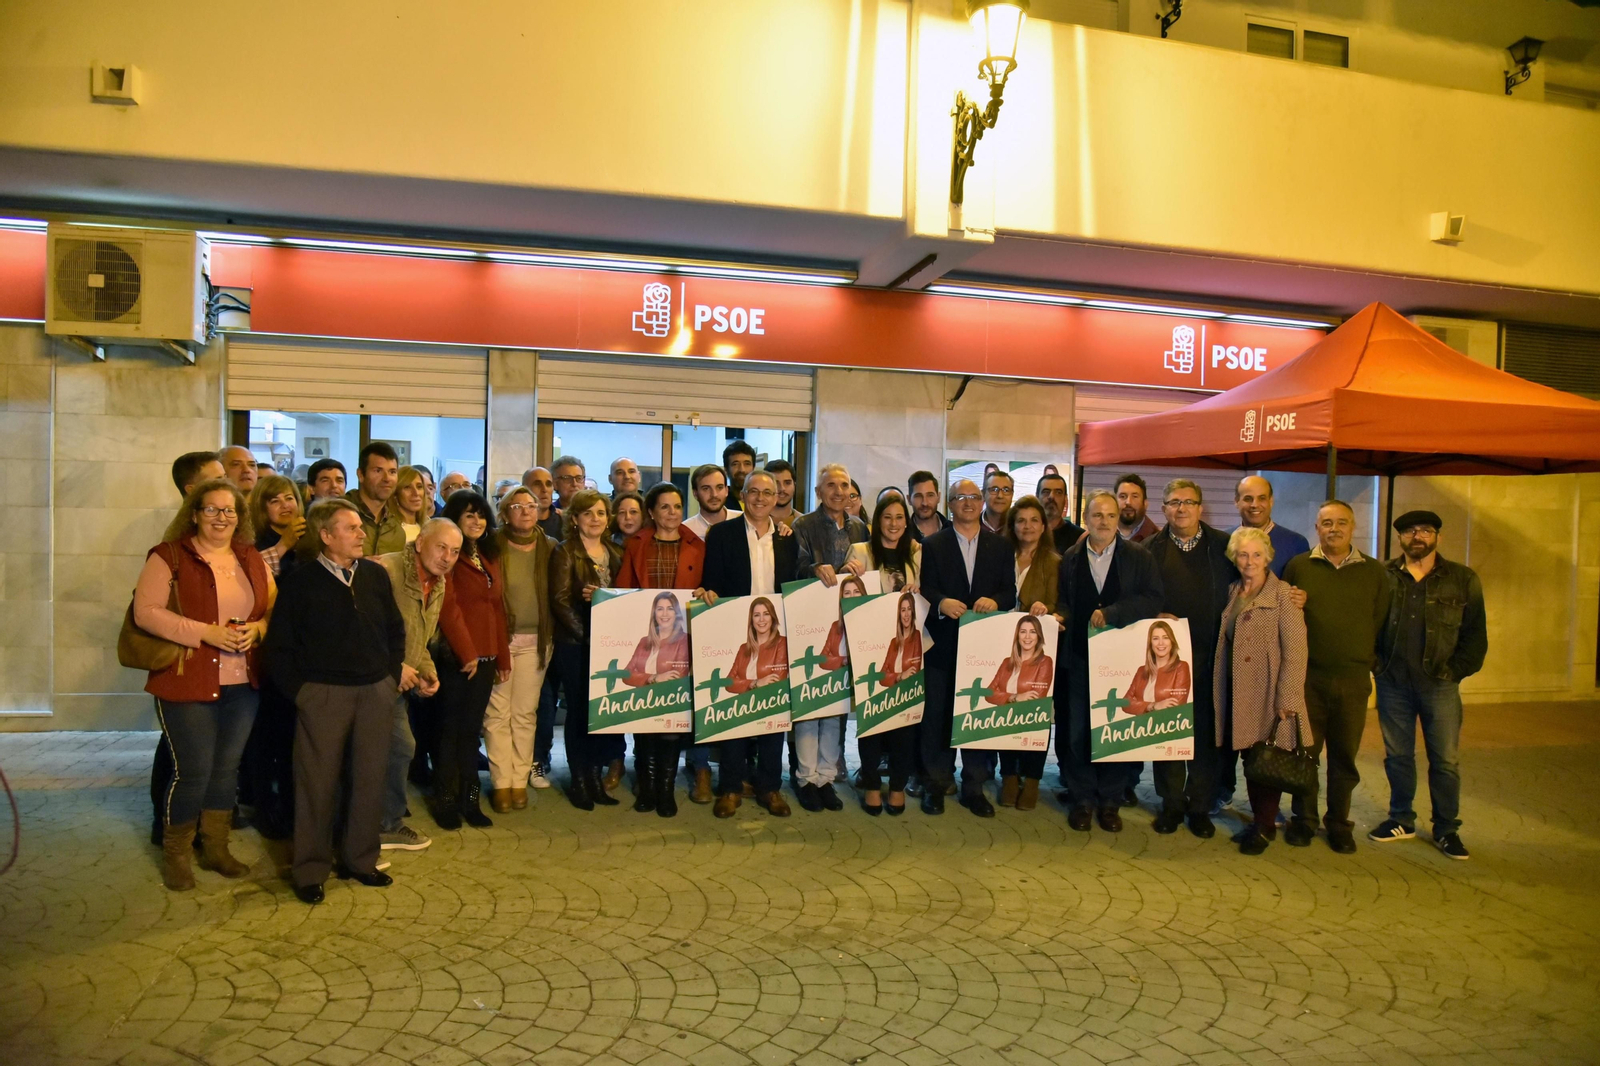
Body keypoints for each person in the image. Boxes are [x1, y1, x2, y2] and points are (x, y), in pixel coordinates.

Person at [136, 478, 274, 890]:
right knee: (193, 770)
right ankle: (177, 853)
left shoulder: (250, 558)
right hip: (186, 677)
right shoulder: (169, 556)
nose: (221, 517)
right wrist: (205, 632)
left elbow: (270, 609)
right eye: (211, 509)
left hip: (241, 682)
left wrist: (258, 631)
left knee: (225, 769)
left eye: (229, 510)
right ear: (194, 513)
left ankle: (216, 847)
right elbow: (145, 613)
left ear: (240, 517)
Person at [266, 498, 406, 904]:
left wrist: (390, 676)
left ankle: (361, 861)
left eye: (360, 527)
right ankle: (310, 870)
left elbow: (395, 630)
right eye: (351, 528)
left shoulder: (375, 577)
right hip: (323, 695)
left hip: (375, 691)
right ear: (326, 536)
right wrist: (304, 694)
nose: (361, 533)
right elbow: (279, 648)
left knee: (368, 778)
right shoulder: (301, 582)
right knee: (316, 783)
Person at [1370, 510, 1487, 860]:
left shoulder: (1462, 579)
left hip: (1440, 685)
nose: (1417, 536)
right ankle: (1401, 818)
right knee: (1398, 756)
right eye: (1409, 531)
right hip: (1393, 683)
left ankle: (1447, 828)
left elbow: (1475, 635)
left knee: (1446, 760)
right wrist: (1377, 665)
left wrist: (1454, 672)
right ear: (1400, 538)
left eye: (1425, 530)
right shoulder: (1384, 576)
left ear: (1437, 536)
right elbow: (1368, 623)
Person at [1281, 500, 1392, 853]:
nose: (1334, 529)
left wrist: (1362, 660)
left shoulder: (1375, 572)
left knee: (1344, 756)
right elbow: (1284, 614)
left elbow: (1381, 620)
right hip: (1308, 679)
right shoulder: (1298, 566)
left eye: (1341, 522)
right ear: (1317, 528)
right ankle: (1303, 820)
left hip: (1353, 680)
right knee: (1304, 755)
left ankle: (1339, 823)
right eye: (1326, 523)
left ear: (1353, 526)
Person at [1056, 489, 1163, 832]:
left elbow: (1152, 599)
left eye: (1111, 516)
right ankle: (1083, 798)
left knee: (1117, 731)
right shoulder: (1071, 558)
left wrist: (1114, 612)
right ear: (1085, 519)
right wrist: (1059, 616)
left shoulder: (1139, 557)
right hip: (1079, 659)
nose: (1104, 522)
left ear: (1119, 520)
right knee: (1077, 733)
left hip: (1124, 661)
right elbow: (1065, 602)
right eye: (1097, 515)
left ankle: (1111, 802)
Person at [700, 471, 799, 818]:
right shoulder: (722, 534)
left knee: (773, 713)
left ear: (777, 498)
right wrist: (707, 592)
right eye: (753, 492)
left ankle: (769, 787)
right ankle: (730, 786)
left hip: (776, 637)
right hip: (735, 634)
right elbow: (709, 581)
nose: (760, 498)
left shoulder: (788, 539)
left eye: (767, 492)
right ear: (742, 496)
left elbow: (794, 586)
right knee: (736, 710)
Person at [1142, 479, 1236, 838]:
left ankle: (1199, 806)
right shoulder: (1149, 549)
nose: (1181, 509)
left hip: (1212, 655)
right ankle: (1171, 804)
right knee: (1168, 731)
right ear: (1163, 509)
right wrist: (1155, 615)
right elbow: (1141, 597)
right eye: (1173, 503)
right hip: (1168, 659)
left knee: (1205, 737)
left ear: (1200, 508)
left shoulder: (1224, 547)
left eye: (1188, 502)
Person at [920, 477, 1017, 817]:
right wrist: (941, 601)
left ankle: (974, 787)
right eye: (961, 497)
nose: (969, 503)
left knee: (977, 716)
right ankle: (936, 784)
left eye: (975, 497)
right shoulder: (933, 544)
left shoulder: (1001, 546)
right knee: (938, 718)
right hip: (943, 646)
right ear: (950, 504)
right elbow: (925, 588)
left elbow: (1010, 592)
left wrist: (997, 600)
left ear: (983, 502)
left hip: (984, 651)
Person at [1214, 476, 1311, 813]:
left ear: (1268, 557)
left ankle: (1265, 822)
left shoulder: (1284, 591)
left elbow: (1297, 649)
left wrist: (1289, 695)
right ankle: (1234, 801)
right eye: (1242, 555)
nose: (1249, 561)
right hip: (1233, 683)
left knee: (1265, 754)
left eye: (1256, 555)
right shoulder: (1232, 592)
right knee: (1241, 751)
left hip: (1266, 686)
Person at [373, 520, 462, 854]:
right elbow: (366, 630)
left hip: (396, 683)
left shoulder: (437, 582)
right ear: (421, 542)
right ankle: (367, 827)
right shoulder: (388, 570)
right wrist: (396, 667)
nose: (447, 557)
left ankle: (386, 825)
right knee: (385, 750)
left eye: (455, 552)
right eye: (442, 547)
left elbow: (419, 637)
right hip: (370, 679)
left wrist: (427, 670)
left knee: (400, 749)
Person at [617, 482, 706, 810]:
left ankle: (666, 788)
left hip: (682, 643)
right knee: (645, 721)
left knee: (673, 720)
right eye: (664, 507)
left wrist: (707, 592)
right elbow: (623, 590)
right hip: (647, 641)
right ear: (651, 512)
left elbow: (706, 587)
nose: (672, 513)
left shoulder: (697, 544)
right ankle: (647, 786)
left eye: (677, 506)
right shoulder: (636, 544)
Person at [791, 464, 870, 812]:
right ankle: (806, 778)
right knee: (811, 704)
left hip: (849, 628)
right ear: (819, 492)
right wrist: (813, 570)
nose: (839, 492)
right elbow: (793, 569)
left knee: (837, 707)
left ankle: (826, 776)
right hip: (812, 626)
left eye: (845, 485)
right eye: (831, 486)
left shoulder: (861, 528)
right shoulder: (803, 526)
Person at [432, 491, 511, 830]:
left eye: (481, 515)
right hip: (458, 658)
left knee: (470, 733)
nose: (477, 521)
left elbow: (497, 608)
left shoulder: (488, 554)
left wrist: (503, 656)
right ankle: (446, 801)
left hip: (488, 656)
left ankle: (470, 800)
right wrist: (467, 654)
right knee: (450, 731)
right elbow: (448, 608)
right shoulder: (450, 556)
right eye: (468, 515)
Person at [549, 488, 625, 811]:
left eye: (600, 513)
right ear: (575, 519)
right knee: (580, 712)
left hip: (612, 644)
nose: (595, 519)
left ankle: (595, 776)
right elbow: (560, 601)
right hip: (577, 644)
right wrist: (588, 638)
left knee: (602, 712)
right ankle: (579, 779)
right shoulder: (565, 552)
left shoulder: (616, 551)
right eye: (587, 513)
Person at [483, 487, 556, 813]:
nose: (526, 511)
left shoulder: (551, 547)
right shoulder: (490, 546)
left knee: (525, 714)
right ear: (504, 512)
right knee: (497, 714)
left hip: (537, 642)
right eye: (517, 506)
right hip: (500, 639)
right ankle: (501, 783)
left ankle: (518, 780)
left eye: (532, 505)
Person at [996, 496, 1059, 810]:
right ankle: (1008, 775)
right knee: (1008, 707)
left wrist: (1050, 612)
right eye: (1021, 520)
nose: (1028, 526)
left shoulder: (1055, 562)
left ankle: (1032, 779)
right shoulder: (999, 556)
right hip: (1005, 649)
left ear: (1044, 525)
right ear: (1012, 525)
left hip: (1038, 650)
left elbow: (1063, 608)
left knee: (1036, 712)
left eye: (1034, 520)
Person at [620, 590, 692, 816]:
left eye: (670, 608)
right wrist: (652, 678)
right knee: (646, 741)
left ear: (677, 612)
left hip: (670, 703)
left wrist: (652, 679)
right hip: (644, 704)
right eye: (660, 608)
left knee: (668, 740)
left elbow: (678, 673)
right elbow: (626, 674)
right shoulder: (644, 642)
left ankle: (666, 792)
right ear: (654, 613)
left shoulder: (683, 640)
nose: (665, 613)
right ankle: (648, 791)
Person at [853, 590, 923, 816]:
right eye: (901, 610)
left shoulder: (920, 636)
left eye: (909, 609)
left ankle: (897, 785)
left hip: (908, 696)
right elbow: (884, 675)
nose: (905, 614)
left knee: (904, 736)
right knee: (871, 729)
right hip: (887, 692)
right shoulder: (892, 640)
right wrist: (899, 676)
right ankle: (872, 784)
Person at [987, 614, 1053, 811]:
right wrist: (1015, 697)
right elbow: (990, 693)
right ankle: (1010, 779)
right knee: (1006, 726)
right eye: (1023, 631)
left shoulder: (1045, 661)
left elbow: (1038, 695)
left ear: (1039, 636)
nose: (1027, 637)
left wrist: (1008, 697)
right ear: (1017, 635)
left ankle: (1032, 782)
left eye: (1032, 632)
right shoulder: (1008, 662)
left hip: (1032, 716)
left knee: (1041, 728)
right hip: (1008, 716)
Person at [1234, 476, 1310, 579]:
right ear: (1236, 502)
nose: (1255, 505)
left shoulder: (1296, 543)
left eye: (1262, 498)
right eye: (1248, 499)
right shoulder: (1222, 540)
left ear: (1271, 501)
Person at [846, 494, 921, 593]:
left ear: (906, 522)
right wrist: (845, 573)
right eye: (887, 517)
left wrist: (917, 592)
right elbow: (846, 592)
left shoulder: (916, 551)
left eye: (899, 517)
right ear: (878, 521)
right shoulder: (859, 552)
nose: (893, 523)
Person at [250, 475, 305, 577]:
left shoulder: (309, 534)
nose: (285, 505)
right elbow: (254, 574)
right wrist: (283, 545)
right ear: (262, 509)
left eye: (289, 498)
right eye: (275, 501)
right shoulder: (254, 543)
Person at [684, 463, 740, 538]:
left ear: (726, 490)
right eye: (706, 488)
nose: (714, 494)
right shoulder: (686, 530)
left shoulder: (744, 521)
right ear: (695, 493)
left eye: (719, 487)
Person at [1036, 472, 1085, 554]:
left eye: (1058, 492)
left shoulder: (1079, 539)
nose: (1051, 496)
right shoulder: (1027, 533)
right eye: (1046, 491)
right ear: (1037, 497)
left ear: (1065, 499)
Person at [523, 465, 563, 541]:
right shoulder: (518, 522)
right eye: (537, 484)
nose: (544, 489)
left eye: (548, 484)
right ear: (524, 488)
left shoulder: (564, 522)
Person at [1115, 475, 1159, 542]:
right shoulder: (1100, 533)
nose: (1128, 502)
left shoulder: (1158, 539)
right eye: (1122, 496)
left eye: (1135, 496)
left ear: (1145, 504)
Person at [907, 471, 949, 544]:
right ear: (909, 499)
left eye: (930, 495)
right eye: (918, 496)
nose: (925, 503)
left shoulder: (955, 531)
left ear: (938, 497)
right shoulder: (902, 535)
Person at [394, 466, 432, 543]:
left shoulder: (429, 526)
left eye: (419, 487)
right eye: (407, 487)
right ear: (395, 493)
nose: (416, 493)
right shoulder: (389, 529)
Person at [766, 459, 800, 528]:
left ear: (794, 485)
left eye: (787, 483)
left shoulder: (805, 523)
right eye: (776, 483)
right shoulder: (754, 521)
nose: (782, 488)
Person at [980, 469, 1014, 535]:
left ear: (1012, 495)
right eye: (994, 490)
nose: (1000, 496)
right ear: (983, 494)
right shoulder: (971, 525)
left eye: (1006, 490)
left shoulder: (1019, 528)